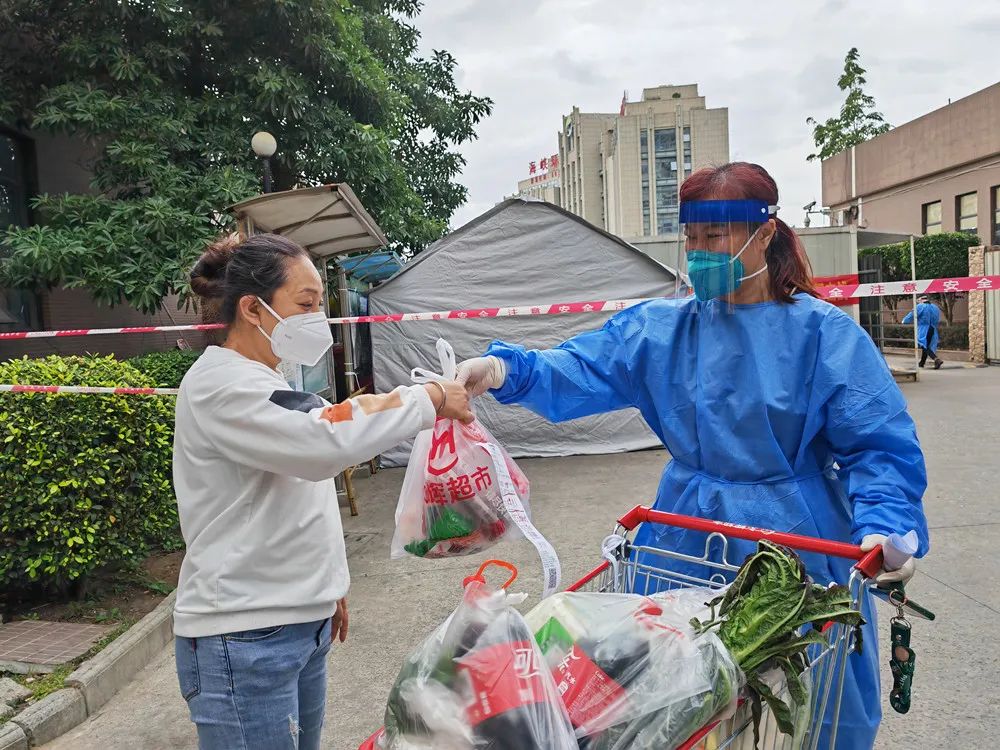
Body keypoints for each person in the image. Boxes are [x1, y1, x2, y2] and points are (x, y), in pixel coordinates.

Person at [457, 163, 929, 750]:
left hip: (797, 540)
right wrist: (505, 370)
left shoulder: (823, 336)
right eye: (692, 239)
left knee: (813, 700)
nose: (700, 253)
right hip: (686, 535)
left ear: (764, 233)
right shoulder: (662, 331)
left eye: (716, 238)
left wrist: (886, 525)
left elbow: (875, 442)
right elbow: (581, 366)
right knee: (674, 700)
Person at [172, 233, 473, 750]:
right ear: (252, 308)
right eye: (307, 305)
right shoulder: (221, 385)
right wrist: (426, 397)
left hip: (296, 621)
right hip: (244, 636)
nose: (318, 319)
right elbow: (323, 441)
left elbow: (299, 488)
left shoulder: (266, 377)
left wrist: (325, 585)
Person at [903, 295, 943, 369]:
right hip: (933, 328)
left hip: (924, 328)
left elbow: (911, 315)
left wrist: (904, 321)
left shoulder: (920, 306)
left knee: (923, 345)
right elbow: (938, 318)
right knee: (927, 345)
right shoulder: (935, 307)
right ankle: (922, 363)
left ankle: (936, 359)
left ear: (920, 299)